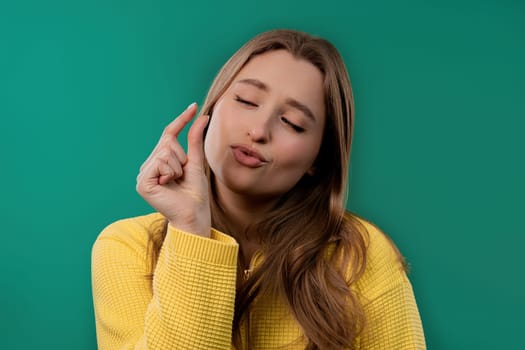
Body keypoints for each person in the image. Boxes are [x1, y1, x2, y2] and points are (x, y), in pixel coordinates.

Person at [91, 29, 426, 349]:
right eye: (247, 101)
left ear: (318, 157)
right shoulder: (126, 247)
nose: (258, 130)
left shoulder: (361, 257)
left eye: (293, 123)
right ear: (211, 108)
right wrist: (191, 231)